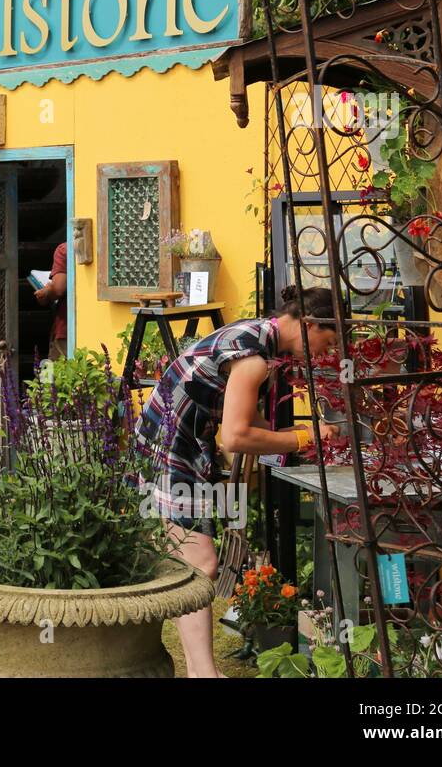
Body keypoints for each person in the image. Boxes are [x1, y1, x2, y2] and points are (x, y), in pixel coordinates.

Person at [133, 285, 340, 678]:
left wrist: (298, 433)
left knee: (180, 563)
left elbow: (245, 420)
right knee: (200, 564)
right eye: (327, 342)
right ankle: (200, 672)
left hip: (174, 438)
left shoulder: (260, 334)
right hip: (174, 446)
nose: (327, 354)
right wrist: (301, 438)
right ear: (310, 325)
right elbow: (235, 436)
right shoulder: (255, 359)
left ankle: (195, 669)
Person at [34, 241, 68, 362]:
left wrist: (47, 292)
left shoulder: (64, 249)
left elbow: (59, 289)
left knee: (59, 377)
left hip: (66, 328)